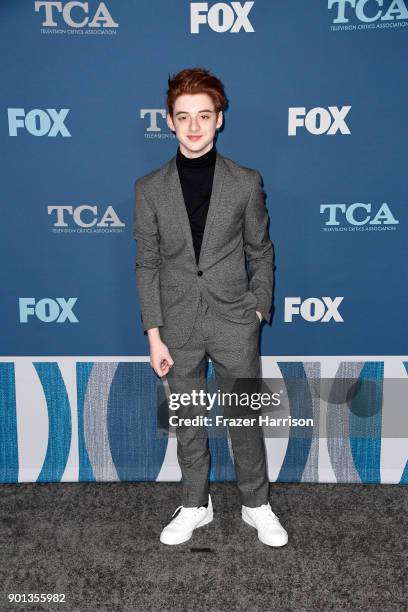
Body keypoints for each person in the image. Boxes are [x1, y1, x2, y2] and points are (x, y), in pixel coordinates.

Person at [133, 67, 288, 547]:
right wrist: (154, 335)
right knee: (189, 424)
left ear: (220, 119)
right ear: (169, 121)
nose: (194, 127)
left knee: (244, 420)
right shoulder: (149, 189)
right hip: (177, 326)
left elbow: (260, 250)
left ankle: (256, 504)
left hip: (234, 322)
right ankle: (195, 504)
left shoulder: (244, 182)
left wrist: (258, 309)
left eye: (204, 115)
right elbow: (147, 264)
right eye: (184, 117)